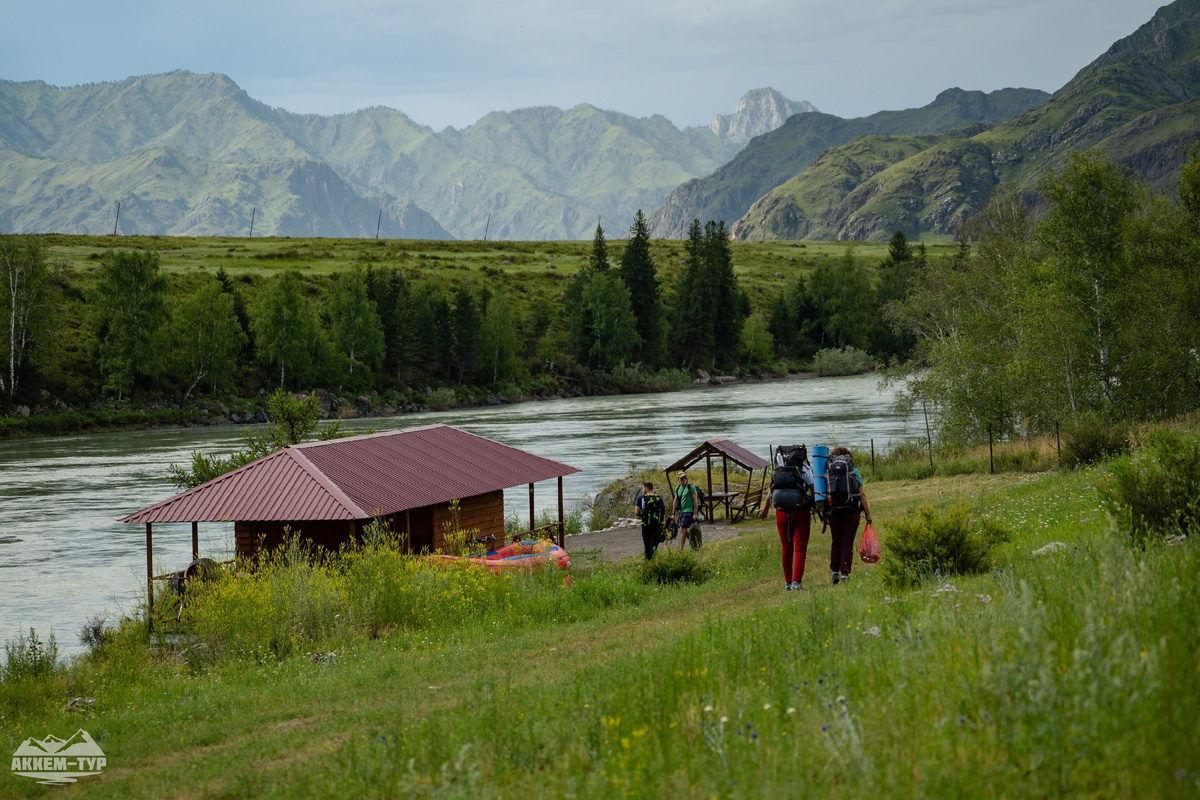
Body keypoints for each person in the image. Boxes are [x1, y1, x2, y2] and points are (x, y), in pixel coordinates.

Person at [759, 455, 815, 591]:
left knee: (786, 547)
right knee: (800, 546)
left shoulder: (779, 470)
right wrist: (815, 506)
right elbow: (813, 490)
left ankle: (787, 583)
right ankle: (796, 582)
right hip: (800, 511)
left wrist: (765, 510)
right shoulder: (805, 469)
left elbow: (770, 492)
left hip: (782, 513)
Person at [825, 446, 873, 584]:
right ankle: (844, 573)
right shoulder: (853, 470)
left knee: (836, 541)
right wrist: (868, 514)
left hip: (833, 511)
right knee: (847, 542)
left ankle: (835, 572)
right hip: (851, 511)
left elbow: (824, 494)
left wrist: (826, 513)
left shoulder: (828, 471)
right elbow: (862, 494)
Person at [633, 481, 666, 560]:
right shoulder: (659, 498)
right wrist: (662, 524)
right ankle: (652, 559)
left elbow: (636, 512)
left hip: (646, 525)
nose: (642, 490)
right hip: (657, 525)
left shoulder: (641, 498)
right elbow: (663, 512)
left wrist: (643, 516)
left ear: (646, 489)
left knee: (647, 544)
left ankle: (648, 559)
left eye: (643, 488)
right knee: (654, 544)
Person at [673, 471, 701, 551]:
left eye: (685, 477)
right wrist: (673, 513)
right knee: (683, 530)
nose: (684, 479)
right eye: (682, 478)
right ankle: (695, 545)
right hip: (681, 511)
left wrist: (695, 513)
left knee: (683, 529)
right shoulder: (677, 488)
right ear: (678, 479)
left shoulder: (690, 487)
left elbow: (695, 500)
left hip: (689, 511)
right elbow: (675, 501)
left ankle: (681, 550)